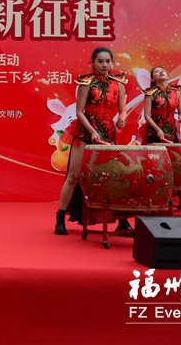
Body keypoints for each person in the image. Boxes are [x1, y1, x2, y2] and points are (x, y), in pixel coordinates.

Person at [54, 47, 130, 235]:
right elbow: (79, 112)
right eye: (100, 61)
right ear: (93, 62)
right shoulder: (86, 82)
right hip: (86, 133)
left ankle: (122, 220)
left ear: (112, 62)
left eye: (107, 61)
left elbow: (122, 110)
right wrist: (92, 131)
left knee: (113, 178)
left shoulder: (118, 83)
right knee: (73, 177)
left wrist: (122, 119)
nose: (104, 65)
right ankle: (60, 218)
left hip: (107, 134)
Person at [143, 65, 181, 209]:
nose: (161, 72)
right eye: (157, 71)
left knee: (177, 165)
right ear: (153, 78)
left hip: (171, 133)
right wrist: (158, 130)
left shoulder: (176, 91)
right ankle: (155, 200)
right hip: (154, 133)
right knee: (156, 167)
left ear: (168, 75)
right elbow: (147, 116)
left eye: (163, 70)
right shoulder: (149, 92)